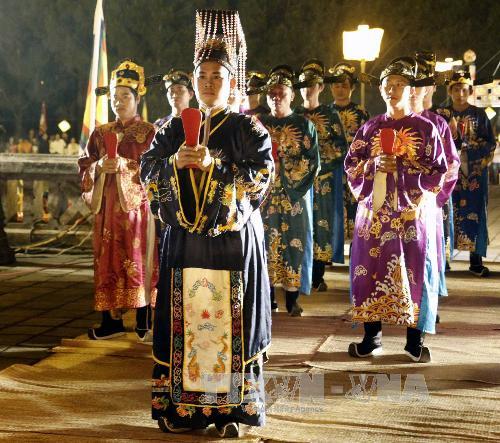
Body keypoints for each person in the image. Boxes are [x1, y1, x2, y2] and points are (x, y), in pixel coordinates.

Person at [140, 9, 273, 438]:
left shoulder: (248, 129)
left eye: (218, 76)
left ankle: (233, 410)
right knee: (186, 318)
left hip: (231, 243)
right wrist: (174, 166)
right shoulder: (171, 129)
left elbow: (260, 178)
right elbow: (147, 170)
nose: (209, 83)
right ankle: (185, 410)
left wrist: (215, 168)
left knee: (232, 319)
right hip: (185, 244)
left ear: (233, 83)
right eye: (202, 76)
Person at [345, 57, 448, 363]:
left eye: (399, 84)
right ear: (380, 90)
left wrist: (402, 168)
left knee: (415, 271)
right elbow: (351, 166)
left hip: (411, 216)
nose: (392, 90)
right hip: (374, 216)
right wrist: (373, 165)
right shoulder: (369, 128)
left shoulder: (426, 128)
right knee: (368, 270)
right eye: (387, 85)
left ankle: (414, 342)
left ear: (410, 89)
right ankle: (371, 338)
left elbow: (438, 172)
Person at [78, 59, 159, 341]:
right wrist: (99, 167)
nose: (119, 101)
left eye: (125, 96)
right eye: (115, 96)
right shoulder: (100, 133)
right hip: (106, 212)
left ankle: (143, 318)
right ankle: (109, 321)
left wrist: (125, 167)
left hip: (136, 212)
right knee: (106, 261)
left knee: (137, 260)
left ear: (137, 99)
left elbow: (156, 170)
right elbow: (84, 165)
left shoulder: (149, 133)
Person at [258, 65, 320, 315]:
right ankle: (269, 296)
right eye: (271, 93)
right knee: (265, 242)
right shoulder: (258, 123)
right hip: (263, 194)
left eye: (281, 92)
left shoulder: (303, 125)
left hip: (293, 194)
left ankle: (292, 298)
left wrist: (284, 166)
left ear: (292, 95)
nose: (276, 97)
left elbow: (312, 161)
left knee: (294, 242)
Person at [411, 52, 460, 310]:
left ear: (429, 88)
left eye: (419, 84)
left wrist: (433, 198)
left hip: (428, 202)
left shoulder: (437, 122)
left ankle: (428, 306)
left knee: (428, 251)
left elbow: (451, 165)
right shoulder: (388, 123)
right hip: (397, 203)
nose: (413, 90)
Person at [295, 59, 348, 291]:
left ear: (320, 87)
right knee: (299, 223)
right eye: (303, 85)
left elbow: (341, 148)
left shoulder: (330, 114)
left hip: (323, 182)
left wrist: (317, 165)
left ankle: (317, 275)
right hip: (297, 181)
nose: (307, 89)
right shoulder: (294, 115)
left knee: (321, 225)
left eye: (312, 85)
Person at [437, 71, 496, 277]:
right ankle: (443, 259)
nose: (460, 93)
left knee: (475, 212)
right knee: (445, 214)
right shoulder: (441, 114)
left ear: (470, 91)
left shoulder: (480, 114)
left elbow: (490, 143)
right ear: (450, 91)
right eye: (456, 89)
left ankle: (475, 261)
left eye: (464, 90)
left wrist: (469, 149)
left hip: (473, 174)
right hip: (448, 172)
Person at [328, 62, 370, 241]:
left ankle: (356, 247)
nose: (340, 90)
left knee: (356, 207)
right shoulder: (326, 113)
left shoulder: (361, 113)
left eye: (344, 86)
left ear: (352, 87)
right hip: (332, 168)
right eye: (336, 85)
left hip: (356, 168)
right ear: (331, 88)